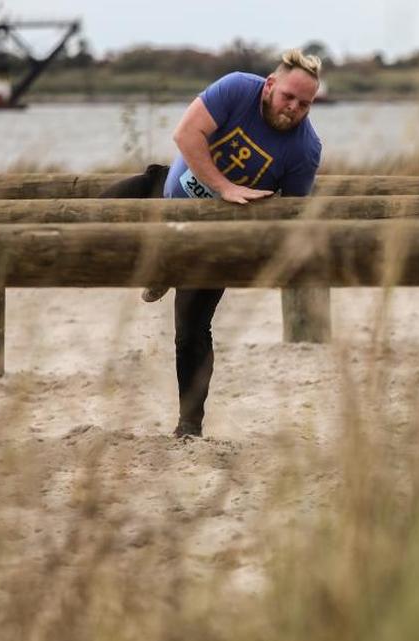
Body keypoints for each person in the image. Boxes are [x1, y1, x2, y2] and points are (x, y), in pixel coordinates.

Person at [147, 49, 324, 439]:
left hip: (216, 242)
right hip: (164, 195)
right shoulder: (236, 88)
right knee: (105, 203)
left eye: (304, 104)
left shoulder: (305, 150)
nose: (293, 108)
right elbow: (185, 134)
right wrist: (224, 186)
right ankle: (161, 267)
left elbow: (289, 216)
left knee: (191, 331)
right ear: (270, 85)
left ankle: (189, 427)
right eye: (288, 97)